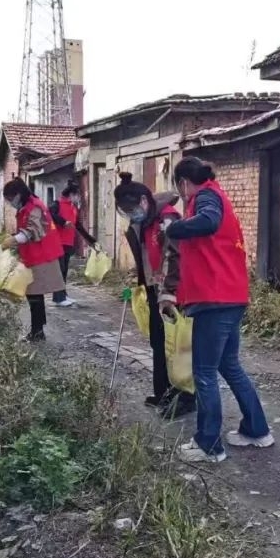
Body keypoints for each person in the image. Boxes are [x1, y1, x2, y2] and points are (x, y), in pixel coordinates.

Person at [164, 156, 274, 463]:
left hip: (215, 299)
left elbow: (208, 222)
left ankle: (209, 444)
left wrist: (174, 227)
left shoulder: (206, 196)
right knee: (229, 366)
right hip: (230, 296)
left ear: (184, 183)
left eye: (180, 187)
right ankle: (256, 430)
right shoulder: (215, 195)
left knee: (204, 372)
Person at [113, 172, 195, 418]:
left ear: (144, 201)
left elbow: (175, 256)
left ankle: (186, 398)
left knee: (179, 345)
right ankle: (163, 392)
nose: (132, 214)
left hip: (174, 291)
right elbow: (145, 257)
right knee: (158, 342)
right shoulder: (141, 221)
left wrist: (168, 292)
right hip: (153, 289)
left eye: (133, 209)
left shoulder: (167, 219)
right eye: (126, 211)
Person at [0, 177, 67, 342]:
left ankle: (37, 332)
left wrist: (14, 240)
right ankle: (38, 330)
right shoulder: (26, 206)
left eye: (10, 198)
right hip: (34, 255)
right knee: (34, 295)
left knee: (35, 294)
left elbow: (33, 232)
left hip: (42, 256)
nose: (9, 202)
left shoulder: (34, 207)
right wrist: (16, 241)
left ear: (19, 194)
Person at [49, 179, 98, 308]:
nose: (78, 197)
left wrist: (91, 240)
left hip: (68, 243)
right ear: (70, 194)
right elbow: (50, 214)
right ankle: (58, 298)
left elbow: (78, 226)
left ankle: (63, 295)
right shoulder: (57, 204)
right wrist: (63, 222)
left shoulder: (73, 207)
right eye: (76, 195)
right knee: (59, 270)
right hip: (57, 242)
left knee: (64, 270)